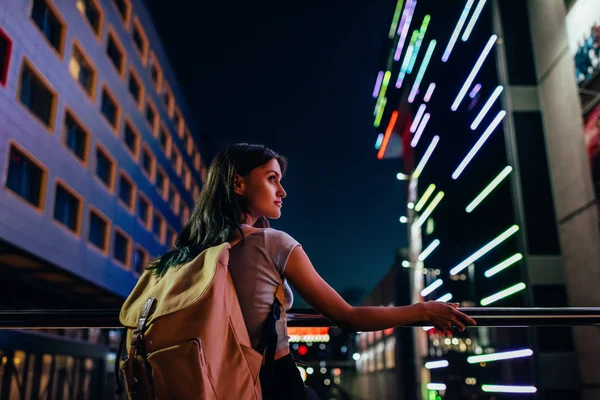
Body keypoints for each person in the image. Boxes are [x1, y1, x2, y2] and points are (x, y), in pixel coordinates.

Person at [148, 143, 477, 400]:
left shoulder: (186, 254)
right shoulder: (274, 244)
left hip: (204, 381)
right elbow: (348, 317)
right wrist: (424, 310)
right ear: (239, 183)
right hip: (269, 385)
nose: (282, 192)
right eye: (272, 179)